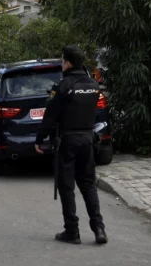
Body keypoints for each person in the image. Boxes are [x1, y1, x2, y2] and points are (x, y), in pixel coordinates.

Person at [34, 45, 107, 245]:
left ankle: (72, 231)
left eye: (62, 60)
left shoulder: (63, 86)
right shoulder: (93, 84)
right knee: (89, 185)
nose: (61, 63)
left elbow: (50, 116)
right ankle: (99, 228)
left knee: (67, 187)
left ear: (67, 62)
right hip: (88, 139)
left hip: (68, 140)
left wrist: (40, 139)